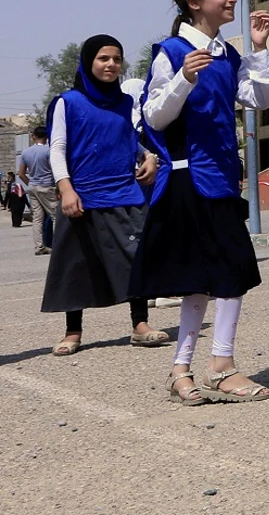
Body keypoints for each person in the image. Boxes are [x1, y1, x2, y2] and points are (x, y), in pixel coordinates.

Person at [135, 0, 269, 406]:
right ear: (194, 1)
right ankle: (221, 366)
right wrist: (184, 79)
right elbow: (152, 117)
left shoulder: (228, 55)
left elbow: (258, 100)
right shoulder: (173, 52)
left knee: (211, 276)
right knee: (226, 270)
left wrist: (258, 51)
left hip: (219, 178)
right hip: (187, 179)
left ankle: (184, 370)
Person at [41, 35, 170, 354]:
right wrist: (66, 188)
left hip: (124, 193)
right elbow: (57, 149)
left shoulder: (125, 103)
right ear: (88, 63)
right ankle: (73, 332)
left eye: (116, 58)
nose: (111, 64)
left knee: (135, 259)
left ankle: (140, 324)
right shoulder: (67, 102)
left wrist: (148, 156)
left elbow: (127, 138)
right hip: (82, 197)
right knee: (77, 264)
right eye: (103, 58)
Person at [17, 125, 56, 255]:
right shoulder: (49, 151)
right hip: (47, 185)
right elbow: (55, 170)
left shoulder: (25, 152)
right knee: (55, 216)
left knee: (37, 218)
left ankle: (39, 246)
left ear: (33, 136)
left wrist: (31, 183)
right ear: (46, 137)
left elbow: (21, 173)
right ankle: (58, 246)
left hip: (33, 187)